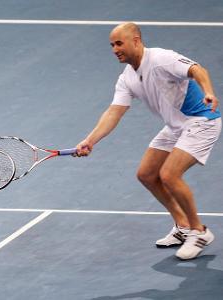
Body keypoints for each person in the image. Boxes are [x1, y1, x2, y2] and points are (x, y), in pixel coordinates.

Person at [75, 23, 221, 260]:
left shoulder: (162, 59)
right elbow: (114, 111)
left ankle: (199, 231)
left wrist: (209, 91)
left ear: (136, 40)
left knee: (170, 175)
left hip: (201, 120)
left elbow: (197, 69)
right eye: (112, 45)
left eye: (119, 43)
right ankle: (182, 226)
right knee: (146, 174)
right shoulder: (126, 78)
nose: (114, 49)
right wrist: (90, 140)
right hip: (176, 125)